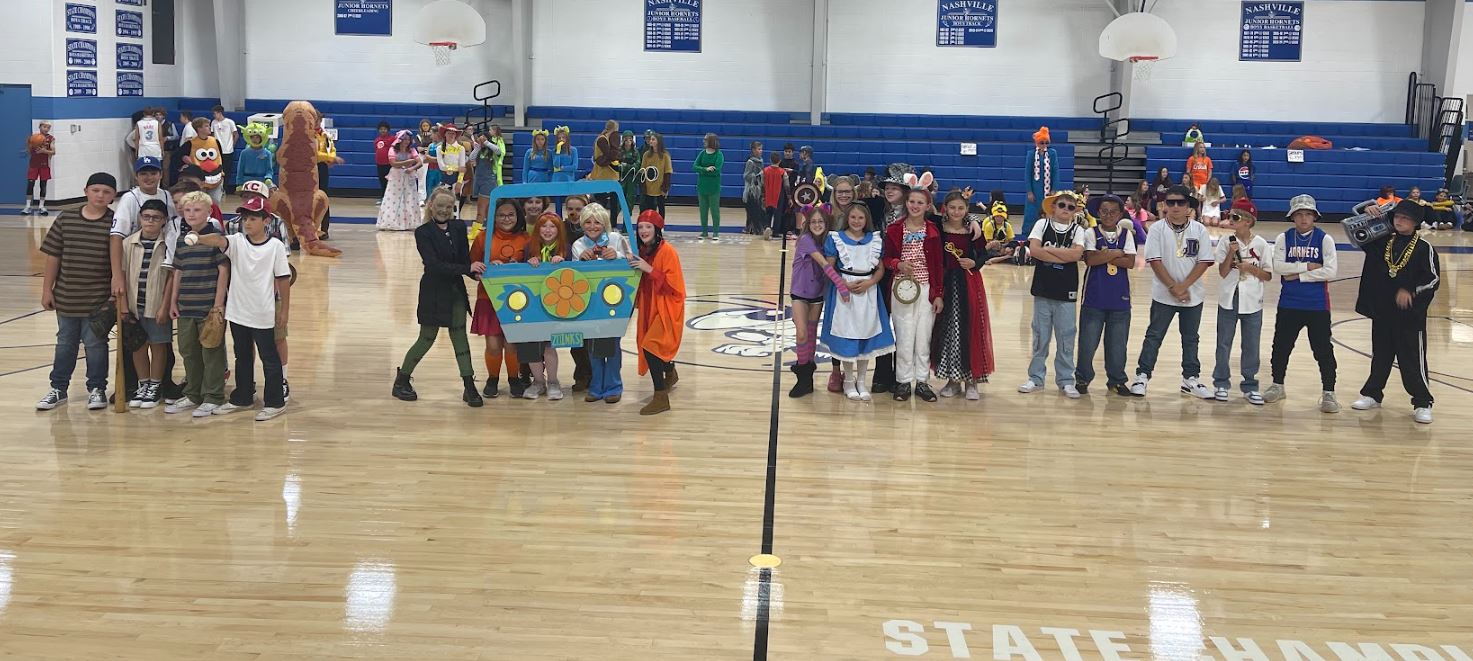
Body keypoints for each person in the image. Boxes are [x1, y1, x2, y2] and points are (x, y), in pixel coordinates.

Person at [187, 197, 291, 421]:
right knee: (242, 356)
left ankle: (275, 402)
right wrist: (199, 238)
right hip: (238, 312)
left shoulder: (275, 246)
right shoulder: (237, 241)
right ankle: (243, 397)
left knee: (269, 358)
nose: (247, 223)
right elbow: (218, 240)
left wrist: (284, 311)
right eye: (245, 218)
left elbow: (283, 279)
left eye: (253, 218)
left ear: (266, 221)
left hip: (262, 312)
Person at [392, 188, 486, 408]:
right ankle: (402, 379)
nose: (444, 210)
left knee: (460, 336)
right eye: (440, 206)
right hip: (433, 291)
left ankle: (469, 386)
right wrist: (467, 268)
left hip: (455, 290)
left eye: (448, 206)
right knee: (427, 337)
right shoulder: (423, 232)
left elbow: (464, 260)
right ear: (431, 206)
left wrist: (477, 273)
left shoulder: (458, 227)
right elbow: (433, 265)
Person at [1351, 200, 1441, 423]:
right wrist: (1367, 213)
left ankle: (1422, 402)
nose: (1399, 221)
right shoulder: (1382, 241)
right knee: (1380, 356)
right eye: (1397, 217)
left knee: (1412, 360)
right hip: (1383, 312)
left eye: (1405, 218)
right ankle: (1372, 394)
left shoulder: (1424, 248)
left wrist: (1411, 291)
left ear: (1415, 222)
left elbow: (1432, 280)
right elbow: (1356, 233)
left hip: (1410, 317)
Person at [36, 172, 117, 411]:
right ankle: (58, 388)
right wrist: (47, 290)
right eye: (95, 190)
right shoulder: (66, 217)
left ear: (113, 196)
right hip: (66, 297)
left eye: (106, 192)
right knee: (65, 344)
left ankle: (97, 388)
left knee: (96, 345)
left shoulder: (114, 222)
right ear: (86, 191)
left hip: (98, 299)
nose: (100, 195)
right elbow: (53, 256)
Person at [1128, 185, 1215, 399]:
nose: (1175, 206)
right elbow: (1155, 261)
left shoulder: (1199, 230)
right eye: (1170, 202)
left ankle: (1190, 379)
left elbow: (1204, 262)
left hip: (1192, 295)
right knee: (1154, 336)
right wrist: (1173, 287)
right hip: (1163, 295)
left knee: (1191, 338)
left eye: (1180, 202)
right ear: (1164, 205)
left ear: (1188, 206)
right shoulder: (1157, 229)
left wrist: (1183, 287)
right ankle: (1142, 376)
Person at [1264, 194, 1340, 412]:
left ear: (1315, 216)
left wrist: (1297, 274)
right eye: (1299, 214)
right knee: (1281, 346)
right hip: (1289, 303)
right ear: (1292, 217)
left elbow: (1330, 271)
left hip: (1317, 304)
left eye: (1308, 214)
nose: (1304, 218)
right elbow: (1279, 267)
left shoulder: (1325, 239)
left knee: (1322, 349)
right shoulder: (1284, 238)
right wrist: (1308, 266)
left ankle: (1329, 392)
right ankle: (1278, 385)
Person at [164, 191, 229, 417]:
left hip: (208, 306)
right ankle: (193, 393)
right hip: (185, 306)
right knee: (188, 351)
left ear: (209, 212)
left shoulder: (215, 239)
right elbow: (178, 272)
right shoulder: (182, 240)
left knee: (211, 352)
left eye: (197, 210)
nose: (191, 214)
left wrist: (218, 305)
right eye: (187, 210)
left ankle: (213, 396)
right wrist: (173, 301)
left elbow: (223, 271)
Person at [821, 203, 894, 401]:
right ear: (847, 218)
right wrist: (842, 283)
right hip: (845, 292)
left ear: (866, 220)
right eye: (853, 217)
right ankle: (848, 380)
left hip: (868, 292)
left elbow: (880, 268)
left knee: (866, 333)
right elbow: (829, 267)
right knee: (847, 334)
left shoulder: (875, 240)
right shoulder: (836, 238)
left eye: (860, 218)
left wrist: (870, 282)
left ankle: (862, 381)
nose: (856, 221)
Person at [1019, 190, 1086, 398]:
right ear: (1053, 207)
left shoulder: (1078, 230)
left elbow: (1077, 254)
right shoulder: (1042, 224)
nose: (1066, 209)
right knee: (1040, 336)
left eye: (1070, 207)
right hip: (1043, 288)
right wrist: (1064, 256)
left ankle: (1066, 380)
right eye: (1062, 205)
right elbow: (1034, 250)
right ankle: (1035, 378)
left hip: (1066, 290)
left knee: (1066, 337)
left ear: (1075, 211)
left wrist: (1049, 253)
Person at [883, 183, 944, 402]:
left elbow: (938, 265)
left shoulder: (933, 231)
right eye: (912, 201)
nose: (915, 206)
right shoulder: (894, 229)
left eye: (920, 202)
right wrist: (898, 264)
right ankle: (903, 381)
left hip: (926, 288)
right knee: (904, 335)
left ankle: (922, 381)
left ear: (928, 206)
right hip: (902, 289)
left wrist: (938, 293)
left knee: (923, 337)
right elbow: (886, 258)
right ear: (906, 203)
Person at [932, 190, 996, 400]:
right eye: (952, 207)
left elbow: (984, 254)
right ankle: (953, 380)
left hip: (968, 283)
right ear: (945, 209)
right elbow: (925, 211)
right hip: (946, 283)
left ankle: (971, 381)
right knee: (949, 330)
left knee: (970, 328)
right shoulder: (938, 227)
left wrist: (974, 263)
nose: (956, 212)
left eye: (961, 208)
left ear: (967, 209)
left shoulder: (972, 231)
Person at [1210, 198, 1272, 404]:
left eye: (1235, 217)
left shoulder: (1261, 244)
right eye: (1229, 216)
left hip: (1253, 300)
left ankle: (1250, 385)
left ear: (1248, 220)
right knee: (1223, 343)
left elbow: (1268, 275)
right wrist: (1231, 252)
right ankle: (1221, 383)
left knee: (1251, 344)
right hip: (1229, 298)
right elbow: (1222, 272)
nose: (1230, 219)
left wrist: (1250, 268)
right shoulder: (1225, 241)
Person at [1075, 194, 1136, 397]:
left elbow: (1130, 262)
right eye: (1104, 211)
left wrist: (1104, 254)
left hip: (1120, 298)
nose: (1108, 215)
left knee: (1117, 345)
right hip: (1094, 297)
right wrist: (1116, 252)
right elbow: (1091, 260)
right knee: (1087, 343)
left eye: (1113, 212)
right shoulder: (1090, 232)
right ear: (1098, 212)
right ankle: (1082, 378)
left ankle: (1117, 380)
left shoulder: (1127, 234)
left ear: (1120, 214)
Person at [571, 203, 632, 404]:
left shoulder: (616, 239)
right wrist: (580, 261)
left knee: (612, 344)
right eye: (588, 222)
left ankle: (614, 386)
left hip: (616, 300)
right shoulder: (578, 245)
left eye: (597, 222)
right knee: (593, 346)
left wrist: (618, 256)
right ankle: (596, 386)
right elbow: (573, 276)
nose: (592, 226)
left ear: (605, 223)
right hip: (589, 302)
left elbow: (632, 262)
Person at [470, 199, 529, 398]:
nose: (506, 219)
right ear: (493, 217)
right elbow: (473, 266)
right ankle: (492, 379)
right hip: (489, 298)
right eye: (501, 215)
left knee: (512, 344)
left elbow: (533, 266)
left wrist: (518, 266)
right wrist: (484, 269)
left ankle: (514, 379)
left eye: (511, 214)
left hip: (518, 299)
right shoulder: (482, 238)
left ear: (518, 216)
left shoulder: (526, 238)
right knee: (493, 345)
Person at [630, 209, 686, 415]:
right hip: (650, 304)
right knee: (652, 344)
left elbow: (674, 285)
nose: (644, 231)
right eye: (640, 227)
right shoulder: (642, 250)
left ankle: (661, 398)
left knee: (651, 346)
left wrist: (649, 269)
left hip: (667, 305)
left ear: (657, 229)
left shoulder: (667, 251)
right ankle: (670, 371)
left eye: (648, 227)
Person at [788, 205, 848, 398]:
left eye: (820, 221)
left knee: (811, 335)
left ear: (826, 223)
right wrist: (842, 286)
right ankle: (802, 375)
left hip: (817, 295)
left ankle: (808, 380)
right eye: (813, 222)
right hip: (799, 293)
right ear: (808, 224)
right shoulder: (805, 240)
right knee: (802, 334)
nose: (817, 225)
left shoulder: (828, 241)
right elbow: (824, 264)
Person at [121, 200, 175, 409]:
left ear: (164, 221)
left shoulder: (168, 244)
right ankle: (143, 384)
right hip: (134, 305)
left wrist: (165, 306)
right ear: (140, 218)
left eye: (156, 218)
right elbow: (122, 274)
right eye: (146, 217)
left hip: (157, 304)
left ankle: (155, 385)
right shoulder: (128, 244)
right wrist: (124, 305)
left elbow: (171, 276)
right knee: (138, 345)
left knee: (158, 345)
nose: (150, 221)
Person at [521, 213, 569, 400]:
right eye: (544, 226)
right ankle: (538, 382)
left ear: (559, 230)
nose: (548, 230)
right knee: (531, 344)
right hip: (532, 304)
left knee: (549, 345)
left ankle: (553, 382)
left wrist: (562, 262)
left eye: (552, 226)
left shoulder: (565, 248)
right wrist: (529, 264)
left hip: (556, 304)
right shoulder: (529, 247)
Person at [376, 131, 422, 231]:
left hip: (408, 176)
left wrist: (412, 168)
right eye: (404, 139)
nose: (406, 141)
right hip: (396, 177)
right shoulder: (393, 150)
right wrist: (407, 162)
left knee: (409, 198)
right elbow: (393, 163)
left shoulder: (412, 150)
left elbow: (419, 162)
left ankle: (409, 223)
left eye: (408, 139)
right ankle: (391, 222)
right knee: (394, 198)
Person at [1022, 127, 1059, 237]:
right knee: (1031, 213)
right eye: (1041, 143)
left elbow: (1055, 172)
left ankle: (1048, 233)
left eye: (1046, 143)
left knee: (1048, 211)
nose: (1044, 145)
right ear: (1037, 143)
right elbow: (1028, 173)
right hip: (1035, 189)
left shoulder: (1052, 153)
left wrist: (1054, 189)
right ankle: (1028, 234)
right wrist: (1029, 191)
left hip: (1048, 189)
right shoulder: (1031, 154)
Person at [469, 124, 507, 223]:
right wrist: (477, 148)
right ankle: (489, 229)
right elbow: (471, 158)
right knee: (487, 212)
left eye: (483, 139)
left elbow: (498, 151)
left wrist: (486, 142)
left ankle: (476, 230)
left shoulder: (493, 151)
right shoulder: (480, 151)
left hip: (488, 182)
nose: (481, 141)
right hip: (479, 180)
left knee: (481, 211)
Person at [589, 120, 622, 224]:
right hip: (603, 174)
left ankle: (613, 223)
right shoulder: (602, 139)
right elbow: (611, 155)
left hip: (610, 174)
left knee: (614, 202)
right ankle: (599, 221)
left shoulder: (606, 139)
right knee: (601, 200)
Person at [694, 133, 724, 242]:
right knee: (703, 211)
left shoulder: (719, 154)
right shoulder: (702, 153)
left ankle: (716, 232)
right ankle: (704, 231)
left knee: (715, 211)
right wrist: (705, 169)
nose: (703, 141)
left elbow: (717, 170)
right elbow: (694, 166)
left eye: (705, 140)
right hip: (702, 186)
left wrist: (702, 170)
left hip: (714, 187)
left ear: (711, 141)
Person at [24, 122, 55, 215]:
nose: (46, 129)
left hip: (44, 165)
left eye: (48, 127)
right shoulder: (33, 137)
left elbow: (53, 152)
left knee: (43, 185)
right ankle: (27, 206)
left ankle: (41, 206)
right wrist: (30, 146)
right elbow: (29, 150)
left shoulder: (51, 138)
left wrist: (44, 151)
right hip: (33, 164)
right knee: (30, 184)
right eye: (44, 127)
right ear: (40, 127)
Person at [639, 131, 672, 216]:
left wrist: (665, 188)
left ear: (658, 141)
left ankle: (661, 224)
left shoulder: (665, 155)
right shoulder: (646, 155)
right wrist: (643, 186)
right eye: (650, 139)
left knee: (661, 207)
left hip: (660, 186)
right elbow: (643, 171)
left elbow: (668, 172)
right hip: (649, 186)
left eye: (653, 139)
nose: (650, 141)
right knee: (649, 207)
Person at [210, 106, 239, 195]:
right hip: (217, 150)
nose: (214, 115)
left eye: (215, 113)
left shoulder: (230, 122)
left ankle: (224, 188)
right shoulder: (213, 122)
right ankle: (217, 187)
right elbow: (212, 135)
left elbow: (236, 134)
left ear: (220, 113)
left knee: (227, 170)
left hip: (228, 150)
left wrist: (232, 145)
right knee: (217, 170)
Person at [550, 125, 579, 211]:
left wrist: (563, 168)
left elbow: (574, 167)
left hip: (568, 179)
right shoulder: (554, 151)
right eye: (559, 138)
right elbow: (556, 165)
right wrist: (558, 151)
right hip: (557, 180)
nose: (561, 139)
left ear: (567, 138)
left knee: (570, 202)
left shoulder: (573, 150)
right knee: (558, 202)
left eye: (563, 137)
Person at [761, 152, 786, 240]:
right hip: (778, 195)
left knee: (768, 213)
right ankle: (775, 232)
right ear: (780, 161)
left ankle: (767, 227)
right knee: (777, 214)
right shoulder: (782, 172)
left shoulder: (765, 170)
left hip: (768, 194)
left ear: (770, 160)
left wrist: (763, 194)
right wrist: (789, 196)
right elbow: (786, 185)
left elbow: (762, 183)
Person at [743, 141, 766, 235]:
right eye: (758, 149)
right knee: (753, 210)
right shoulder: (750, 162)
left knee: (758, 209)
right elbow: (746, 176)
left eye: (761, 149)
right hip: (751, 190)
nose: (760, 151)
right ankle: (754, 229)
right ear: (753, 150)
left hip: (758, 190)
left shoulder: (761, 161)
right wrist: (756, 176)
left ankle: (752, 228)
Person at [617, 130, 641, 216]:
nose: (628, 141)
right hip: (621, 179)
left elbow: (637, 165)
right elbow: (616, 165)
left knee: (629, 200)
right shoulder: (619, 151)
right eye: (626, 139)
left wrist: (627, 166)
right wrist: (622, 167)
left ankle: (626, 223)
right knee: (618, 200)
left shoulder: (635, 152)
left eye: (630, 139)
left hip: (632, 179)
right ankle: (613, 221)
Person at [374, 121, 394, 202]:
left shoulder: (392, 139)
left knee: (389, 181)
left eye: (385, 129)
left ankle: (391, 198)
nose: (383, 130)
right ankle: (383, 197)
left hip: (389, 164)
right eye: (381, 129)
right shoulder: (377, 140)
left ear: (388, 130)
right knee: (382, 181)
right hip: (380, 164)